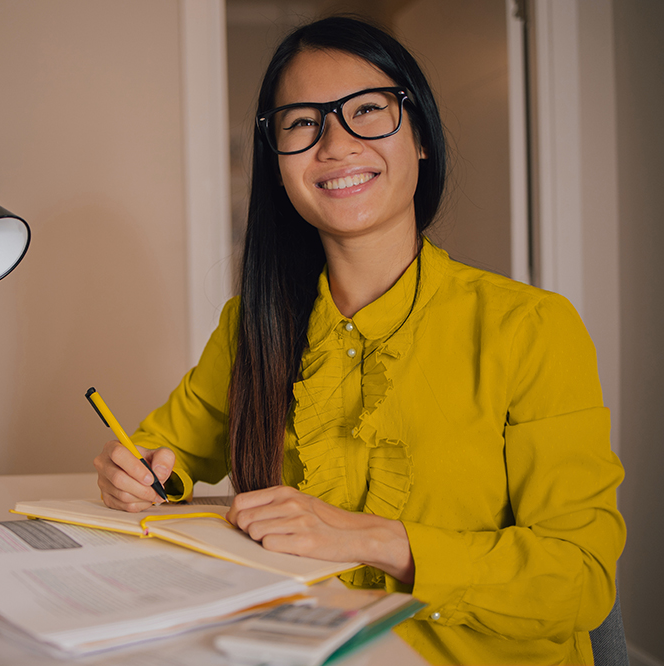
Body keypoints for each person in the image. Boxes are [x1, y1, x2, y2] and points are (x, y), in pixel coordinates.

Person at [93, 15, 624, 665]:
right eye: (301, 123)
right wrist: (136, 474)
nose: (336, 144)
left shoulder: (531, 328)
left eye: (368, 110)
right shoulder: (250, 326)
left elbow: (580, 579)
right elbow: (165, 452)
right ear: (279, 163)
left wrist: (373, 539)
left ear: (421, 136)